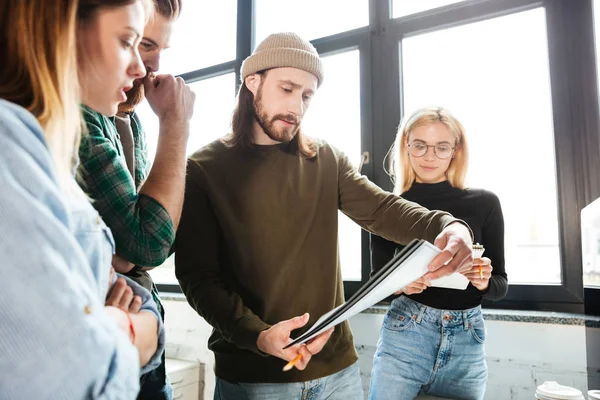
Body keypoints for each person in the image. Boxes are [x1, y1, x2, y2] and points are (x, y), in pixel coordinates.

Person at [174, 32, 474, 400]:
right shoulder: (202, 170)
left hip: (338, 374)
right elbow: (198, 278)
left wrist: (448, 225)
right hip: (254, 378)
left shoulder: (326, 159)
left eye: (306, 96)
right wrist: (259, 335)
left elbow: (382, 209)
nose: (297, 107)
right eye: (287, 89)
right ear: (253, 82)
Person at [0, 0, 164, 398]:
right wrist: (130, 329)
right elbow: (69, 376)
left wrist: (114, 318)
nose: (142, 68)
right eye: (127, 40)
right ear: (60, 30)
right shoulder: (8, 143)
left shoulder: (43, 148)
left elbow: (123, 285)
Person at [76, 0, 195, 398]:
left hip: (144, 348)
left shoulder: (131, 124)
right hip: (103, 351)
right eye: (140, 43)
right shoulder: (80, 119)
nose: (152, 66)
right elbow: (147, 240)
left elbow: (144, 249)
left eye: (162, 49)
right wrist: (176, 126)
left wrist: (130, 246)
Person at [368, 106, 508, 400]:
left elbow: (499, 286)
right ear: (406, 146)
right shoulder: (388, 207)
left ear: (455, 151)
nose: (430, 157)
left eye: (441, 147)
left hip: (467, 340)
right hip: (405, 334)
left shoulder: (485, 203)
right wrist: (402, 284)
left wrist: (482, 280)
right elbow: (375, 286)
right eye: (420, 145)